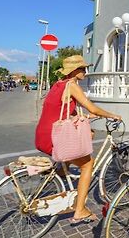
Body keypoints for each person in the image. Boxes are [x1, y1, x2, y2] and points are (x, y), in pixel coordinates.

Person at [35, 55, 121, 224]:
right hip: (54, 137)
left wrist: (81, 117)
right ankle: (80, 210)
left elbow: (62, 108)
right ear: (74, 71)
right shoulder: (72, 85)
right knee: (88, 164)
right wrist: (113, 115)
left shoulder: (58, 84)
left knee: (78, 146)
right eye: (83, 69)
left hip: (43, 133)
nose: (85, 72)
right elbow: (92, 107)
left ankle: (60, 172)